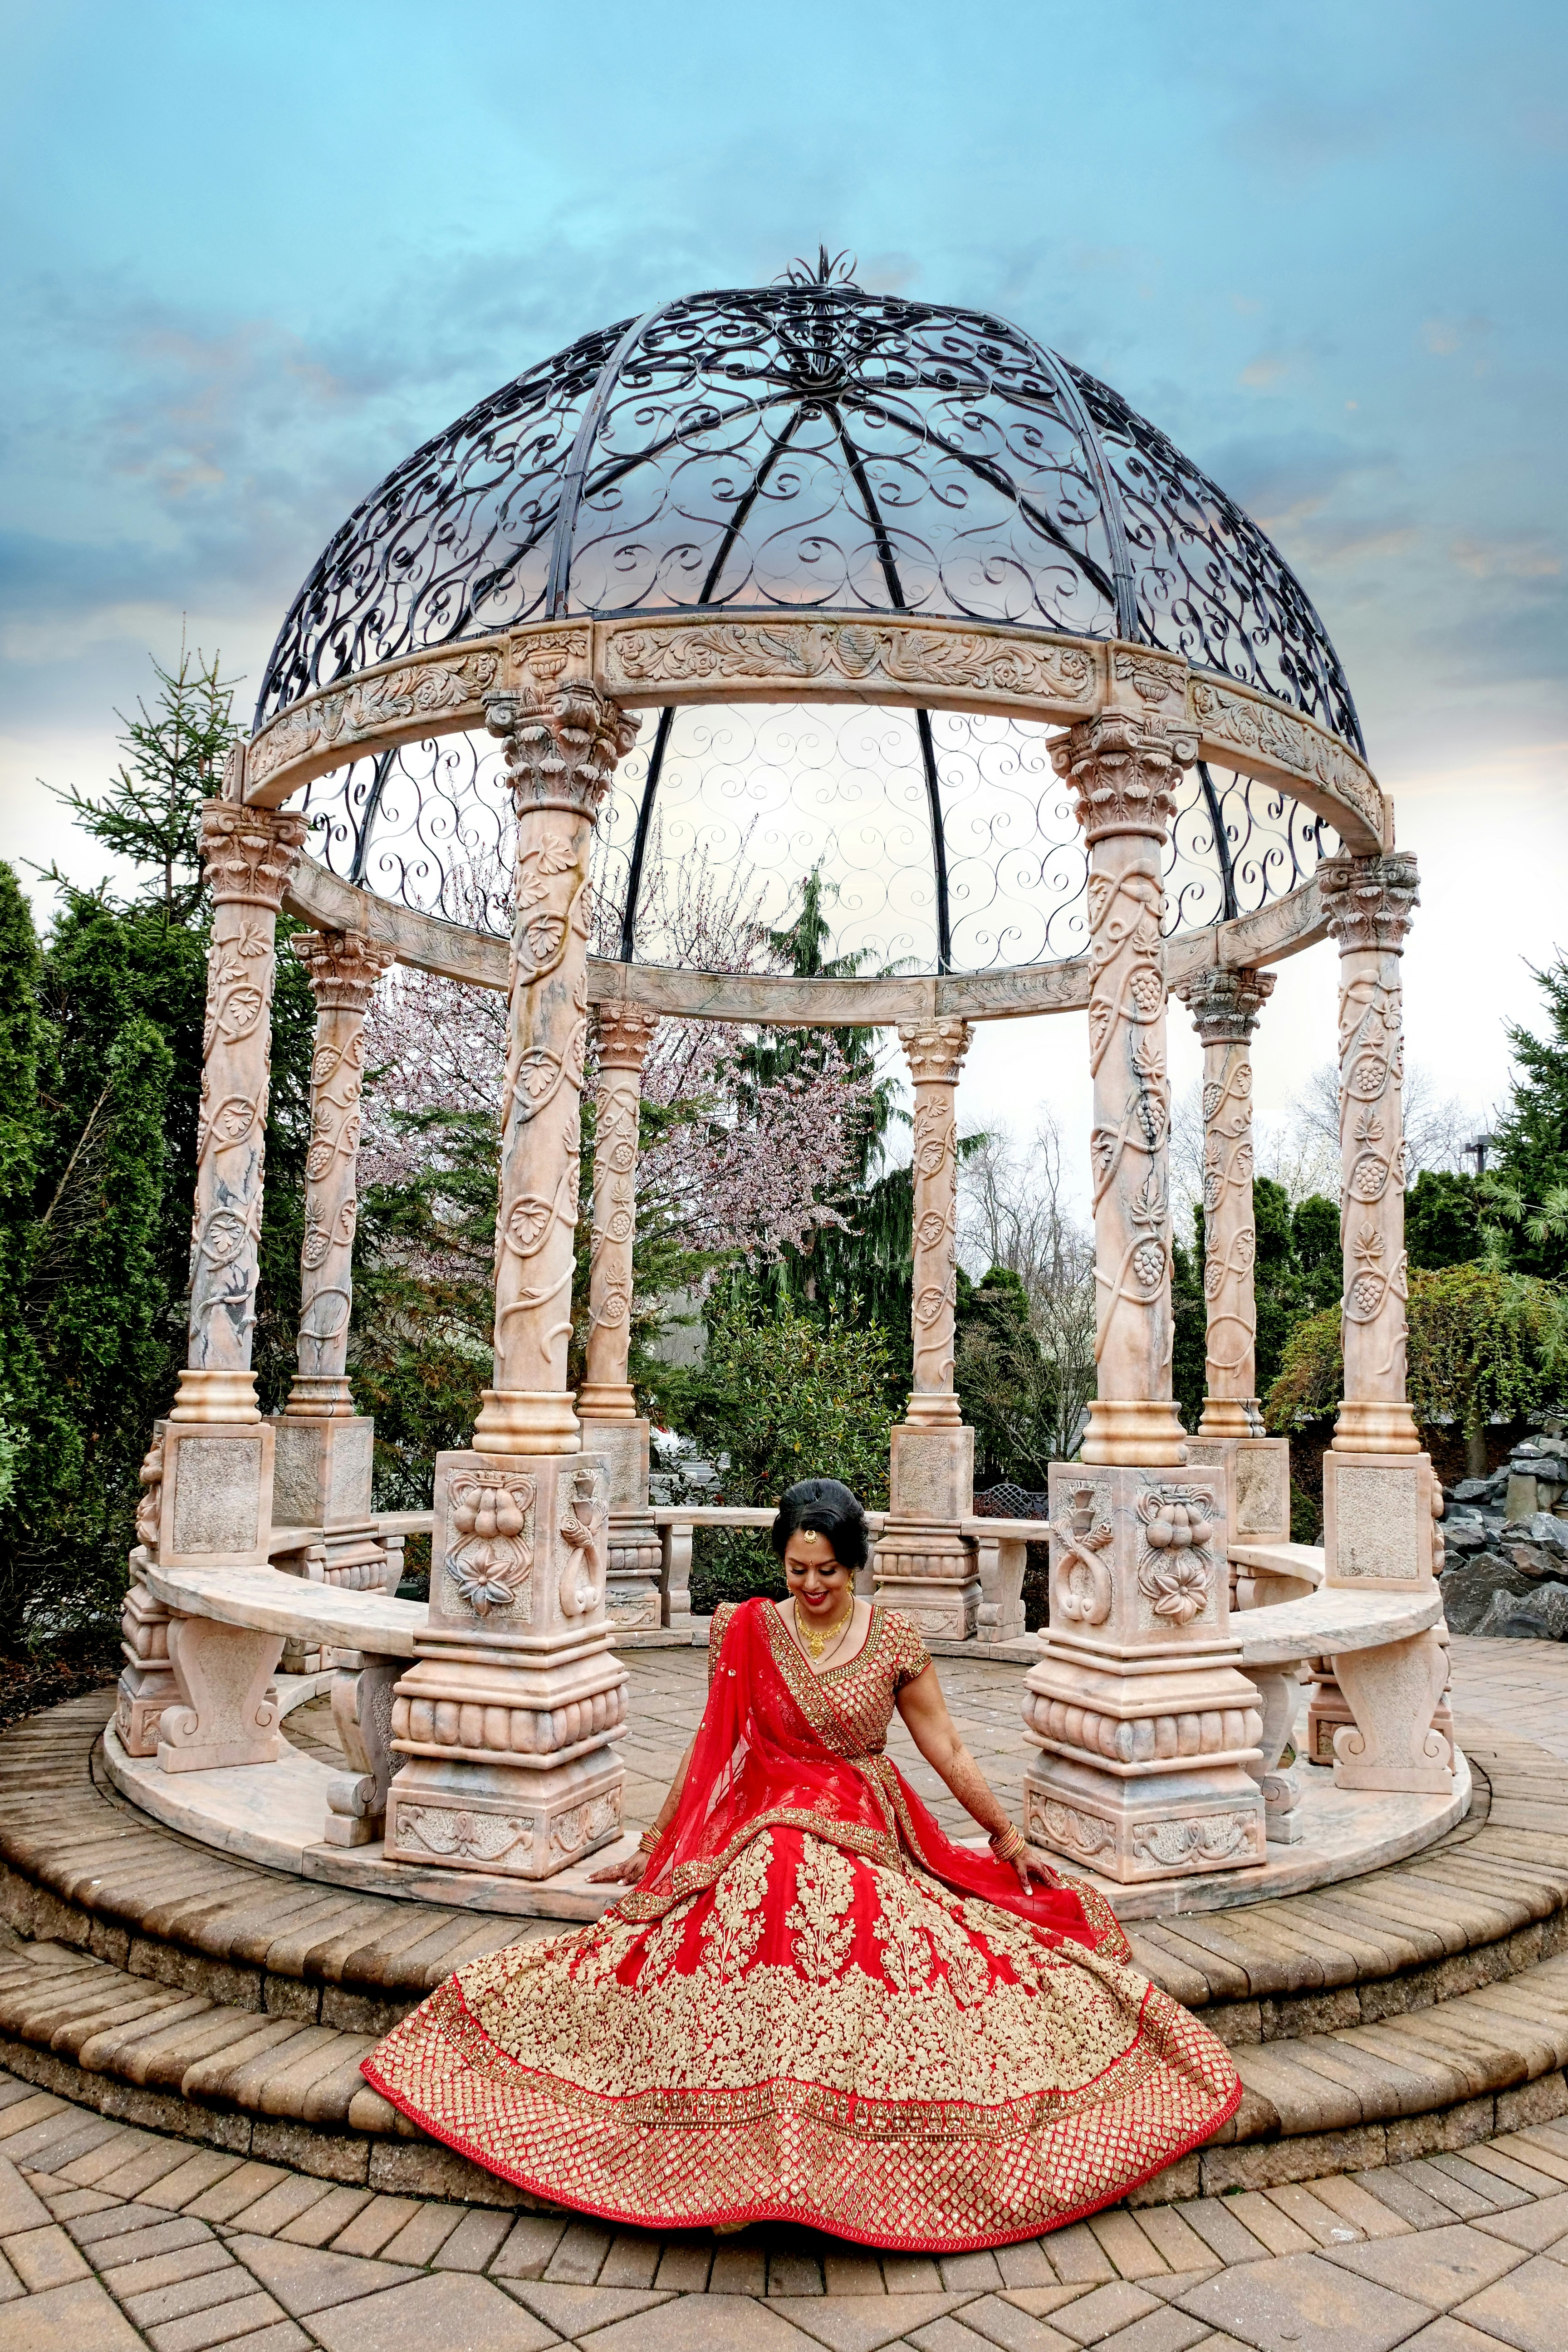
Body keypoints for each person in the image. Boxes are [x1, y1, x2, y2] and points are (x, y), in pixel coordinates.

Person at [363, 1478, 1241, 2250]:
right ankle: (735, 2144)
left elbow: (945, 1749)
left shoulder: (894, 1641)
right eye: (796, 1571)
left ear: (856, 1564)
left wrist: (1007, 1838)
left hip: (861, 1816)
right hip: (763, 1816)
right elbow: (709, 1750)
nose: (812, 1588)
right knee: (758, 1897)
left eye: (827, 1571)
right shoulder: (746, 1631)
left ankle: (842, 2144)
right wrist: (653, 1848)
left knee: (873, 1925)